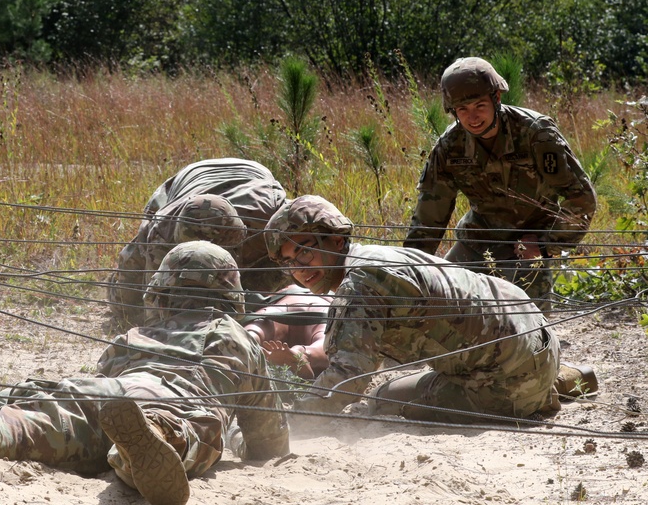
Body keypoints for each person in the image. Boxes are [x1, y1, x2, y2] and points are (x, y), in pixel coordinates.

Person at [0, 241, 289, 505]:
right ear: (232, 293)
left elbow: (108, 388)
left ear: (162, 292)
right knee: (187, 427)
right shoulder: (237, 336)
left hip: (90, 391)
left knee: (2, 433)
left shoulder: (132, 337)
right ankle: (147, 441)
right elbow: (269, 438)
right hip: (168, 396)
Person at [265, 195, 598, 423]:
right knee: (415, 380)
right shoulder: (374, 256)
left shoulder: (360, 284)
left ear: (336, 239)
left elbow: (350, 378)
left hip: (505, 377)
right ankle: (559, 380)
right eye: (288, 262)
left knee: (383, 398)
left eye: (304, 251)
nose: (299, 268)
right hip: (537, 340)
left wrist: (293, 419)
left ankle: (536, 394)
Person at [404, 57, 597, 308]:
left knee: (529, 327)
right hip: (478, 239)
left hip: (529, 244)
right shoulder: (450, 146)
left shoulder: (536, 134)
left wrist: (545, 244)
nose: (472, 117)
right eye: (462, 110)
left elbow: (582, 199)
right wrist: (409, 268)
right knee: (446, 307)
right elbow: (429, 216)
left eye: (479, 106)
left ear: (496, 98)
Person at [108, 158, 289, 327]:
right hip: (185, 182)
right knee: (126, 304)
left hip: (253, 175)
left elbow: (308, 234)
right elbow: (153, 302)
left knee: (287, 277)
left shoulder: (271, 221)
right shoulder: (162, 232)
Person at [241, 285, 331, 380]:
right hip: (323, 312)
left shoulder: (289, 289)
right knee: (325, 339)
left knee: (261, 322)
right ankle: (303, 354)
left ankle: (248, 338)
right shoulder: (329, 293)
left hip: (281, 309)